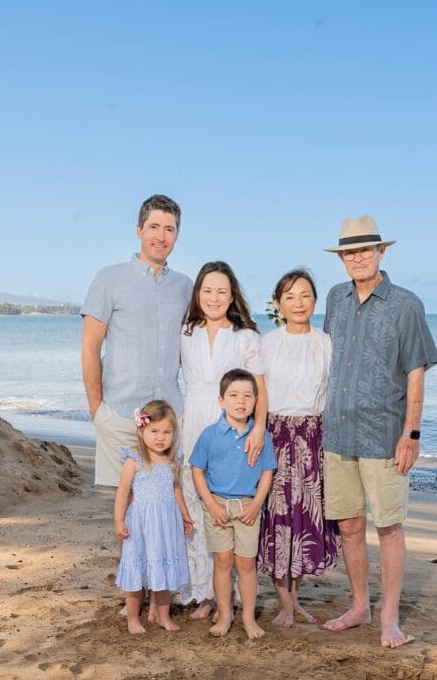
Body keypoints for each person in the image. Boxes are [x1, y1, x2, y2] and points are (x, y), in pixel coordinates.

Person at [320, 216, 437, 648]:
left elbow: (416, 371)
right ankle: (359, 606)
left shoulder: (406, 304)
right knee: (349, 525)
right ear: (342, 258)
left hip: (383, 435)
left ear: (381, 252)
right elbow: (329, 359)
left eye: (364, 250)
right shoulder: (335, 299)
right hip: (338, 433)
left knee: (388, 526)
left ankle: (390, 620)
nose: (357, 258)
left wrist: (412, 434)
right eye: (349, 253)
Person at [82, 194, 192, 488]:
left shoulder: (185, 286)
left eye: (169, 229)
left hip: (168, 421)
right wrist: (97, 411)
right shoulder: (109, 279)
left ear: (177, 235)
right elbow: (90, 348)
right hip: (120, 418)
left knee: (167, 503)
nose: (161, 237)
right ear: (139, 230)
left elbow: (193, 348)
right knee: (119, 509)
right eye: (154, 227)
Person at [178, 261, 267, 620]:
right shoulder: (185, 332)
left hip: (233, 423)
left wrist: (258, 428)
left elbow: (259, 388)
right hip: (194, 417)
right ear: (197, 294)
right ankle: (204, 593)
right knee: (196, 498)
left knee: (230, 498)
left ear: (232, 296)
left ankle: (231, 596)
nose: (214, 298)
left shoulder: (246, 336)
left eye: (221, 291)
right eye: (207, 290)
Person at [257, 269, 341, 627]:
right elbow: (257, 395)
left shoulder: (327, 343)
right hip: (275, 434)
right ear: (279, 303)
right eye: (290, 297)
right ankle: (284, 602)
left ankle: (295, 597)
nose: (298, 303)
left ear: (315, 301)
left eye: (305, 295)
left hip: (314, 436)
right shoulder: (267, 343)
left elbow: (334, 393)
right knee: (277, 518)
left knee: (306, 518)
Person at [189, 369, 277, 639]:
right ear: (221, 400)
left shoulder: (261, 436)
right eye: (234, 395)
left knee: (246, 563)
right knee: (223, 561)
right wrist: (211, 505)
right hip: (217, 505)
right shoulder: (210, 435)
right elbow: (197, 470)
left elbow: (267, 472)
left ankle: (248, 618)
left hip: (248, 506)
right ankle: (225, 614)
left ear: (256, 401)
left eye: (248, 396)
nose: (241, 401)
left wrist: (257, 504)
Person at [114, 400, 195, 635]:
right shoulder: (135, 460)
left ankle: (163, 616)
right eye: (154, 431)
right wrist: (119, 521)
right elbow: (122, 492)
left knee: (165, 570)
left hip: (167, 523)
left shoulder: (172, 460)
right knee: (136, 568)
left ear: (174, 434)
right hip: (141, 523)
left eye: (167, 432)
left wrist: (185, 515)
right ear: (141, 431)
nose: (160, 437)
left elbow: (176, 489)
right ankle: (133, 618)